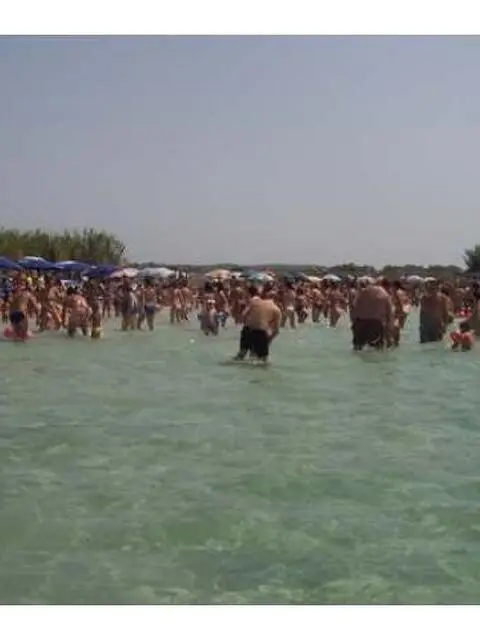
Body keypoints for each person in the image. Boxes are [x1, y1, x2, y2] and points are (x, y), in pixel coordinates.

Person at [234, 285, 282, 363]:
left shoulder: (255, 301)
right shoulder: (276, 310)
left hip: (247, 330)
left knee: (241, 355)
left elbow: (243, 315)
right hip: (260, 332)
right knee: (263, 361)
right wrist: (268, 341)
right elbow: (276, 331)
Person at [350, 279, 392, 350]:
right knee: (377, 350)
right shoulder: (384, 294)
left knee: (357, 349)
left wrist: (353, 324)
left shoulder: (361, 292)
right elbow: (389, 314)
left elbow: (353, 308)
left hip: (360, 323)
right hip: (375, 324)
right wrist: (389, 334)